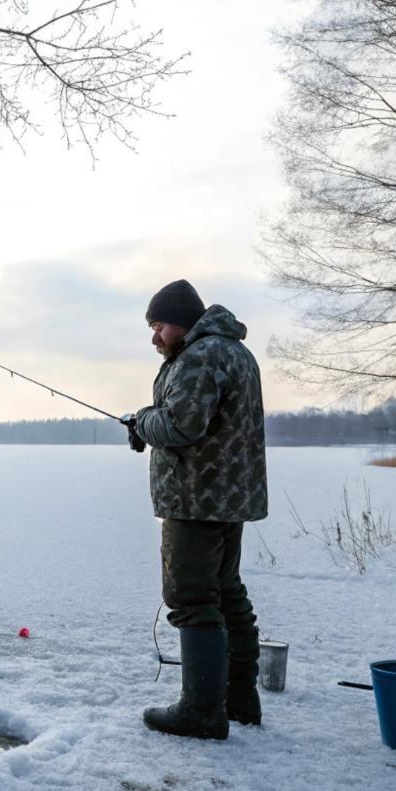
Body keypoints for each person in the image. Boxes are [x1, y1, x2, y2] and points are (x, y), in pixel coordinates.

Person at [125, 279, 267, 740]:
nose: (154, 337)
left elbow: (181, 425)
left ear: (182, 321)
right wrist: (150, 424)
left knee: (192, 598)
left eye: (158, 325)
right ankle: (238, 699)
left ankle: (203, 711)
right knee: (226, 593)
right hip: (228, 498)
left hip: (196, 499)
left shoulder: (201, 356)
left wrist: (143, 421)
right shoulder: (233, 352)